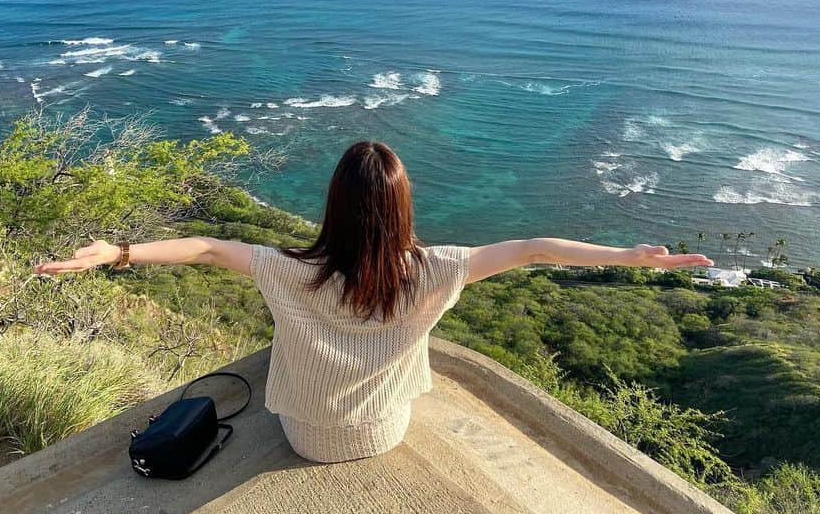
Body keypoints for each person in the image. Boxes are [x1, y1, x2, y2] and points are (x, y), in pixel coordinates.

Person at [35, 140, 712, 463]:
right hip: (385, 431)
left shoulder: (285, 272)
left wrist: (119, 252)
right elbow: (534, 247)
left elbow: (209, 248)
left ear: (335, 207)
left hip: (306, 437)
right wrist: (630, 257)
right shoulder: (438, 271)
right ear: (401, 207)